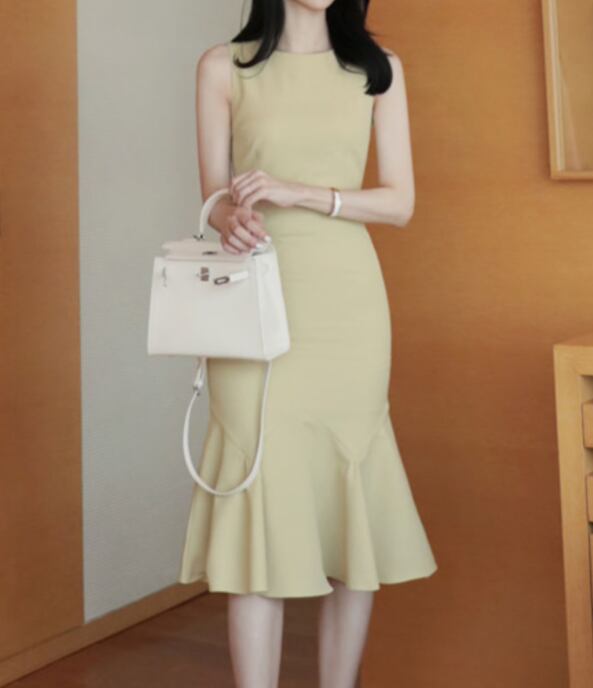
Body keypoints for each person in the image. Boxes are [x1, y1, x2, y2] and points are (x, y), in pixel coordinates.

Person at [178, 1, 438, 686]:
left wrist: (302, 193)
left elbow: (399, 202)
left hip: (347, 306)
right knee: (256, 501)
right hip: (252, 303)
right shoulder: (221, 68)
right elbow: (211, 196)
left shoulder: (378, 71)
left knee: (351, 504)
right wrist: (229, 217)